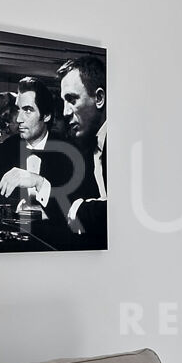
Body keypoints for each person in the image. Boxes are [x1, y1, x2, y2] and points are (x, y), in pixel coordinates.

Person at [0, 77, 75, 219]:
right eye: (18, 109)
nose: (18, 119)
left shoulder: (69, 154)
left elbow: (73, 212)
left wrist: (40, 183)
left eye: (28, 110)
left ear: (46, 116)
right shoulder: (5, 150)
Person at [57, 54, 107, 246]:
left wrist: (82, 209)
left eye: (72, 100)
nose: (65, 112)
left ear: (99, 98)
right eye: (64, 101)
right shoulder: (87, 147)